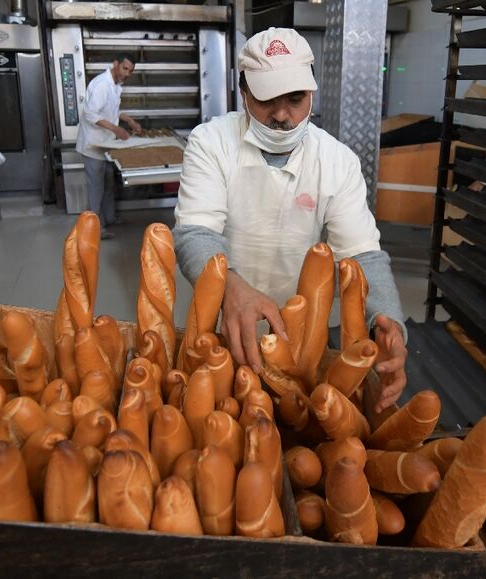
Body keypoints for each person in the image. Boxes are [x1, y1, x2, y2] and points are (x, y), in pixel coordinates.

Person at [173, 28, 408, 413]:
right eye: (266, 99)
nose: (282, 115)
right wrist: (231, 288)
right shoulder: (211, 143)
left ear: (311, 94)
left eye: (295, 99)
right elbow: (194, 234)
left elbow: (362, 255)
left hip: (304, 343)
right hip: (220, 328)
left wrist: (389, 321)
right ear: (244, 92)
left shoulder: (337, 162)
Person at [75, 53, 143, 239]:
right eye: (125, 68)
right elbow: (90, 114)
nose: (127, 73)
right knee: (96, 187)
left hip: (105, 144)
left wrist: (128, 120)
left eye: (130, 71)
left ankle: (109, 218)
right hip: (92, 145)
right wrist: (117, 129)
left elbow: (111, 110)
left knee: (107, 184)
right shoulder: (101, 85)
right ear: (115, 64)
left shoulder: (115, 85)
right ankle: (93, 229)